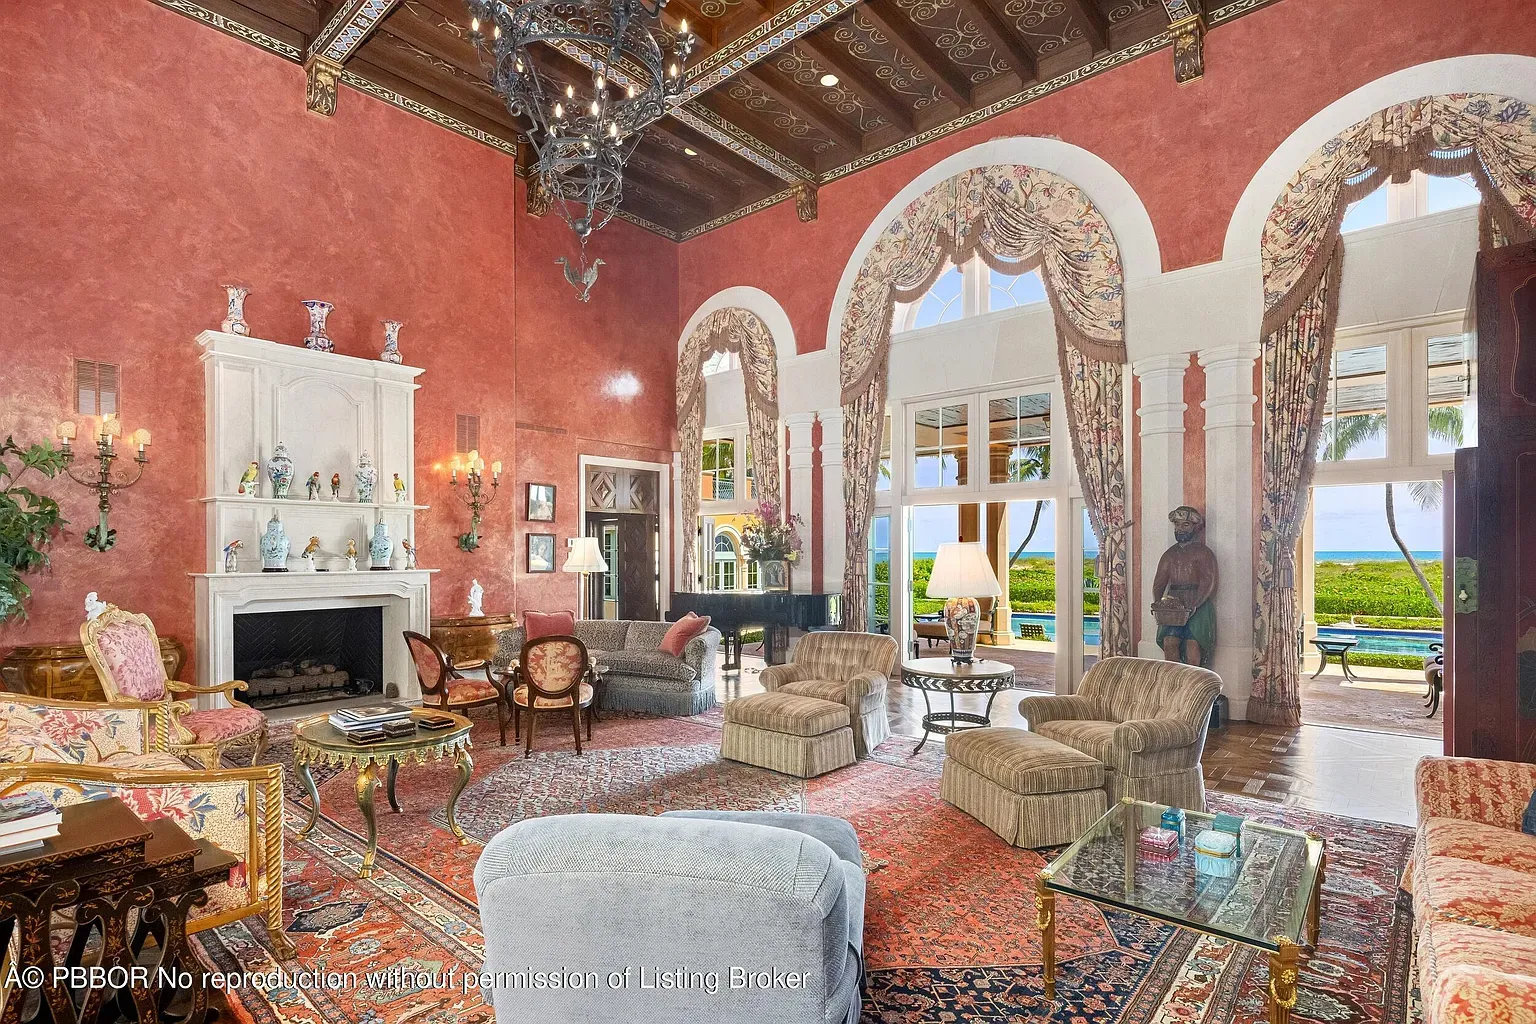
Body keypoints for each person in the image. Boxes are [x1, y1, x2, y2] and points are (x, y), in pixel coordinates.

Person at [1151, 506, 1217, 667]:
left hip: (1197, 605)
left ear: (1195, 527)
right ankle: (1174, 685)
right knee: (1169, 643)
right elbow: (1159, 582)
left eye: (1185, 525)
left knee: (1193, 648)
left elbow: (1209, 581)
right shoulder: (1169, 554)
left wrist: (1196, 604)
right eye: (1177, 525)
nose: (1180, 529)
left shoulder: (1203, 552)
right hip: (1174, 606)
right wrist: (1158, 602)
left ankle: (1194, 688)